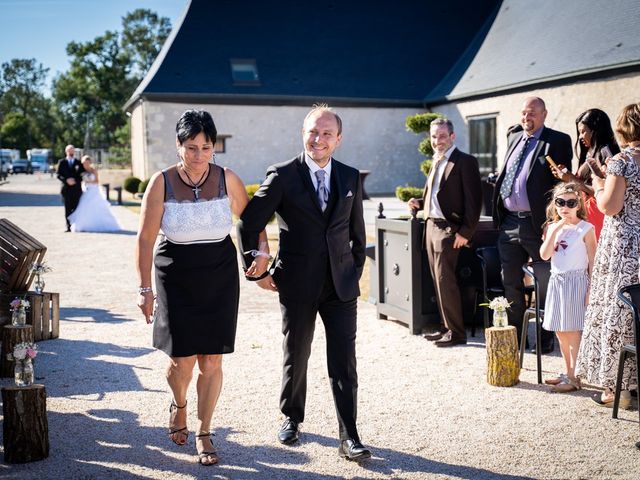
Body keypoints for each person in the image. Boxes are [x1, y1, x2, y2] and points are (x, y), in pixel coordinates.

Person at [237, 104, 371, 461]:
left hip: (340, 286)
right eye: (313, 131)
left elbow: (357, 234)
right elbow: (249, 222)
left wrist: (353, 271)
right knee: (296, 354)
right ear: (303, 134)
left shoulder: (350, 176)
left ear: (338, 139)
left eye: (327, 133)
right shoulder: (282, 176)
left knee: (344, 360)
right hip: (296, 283)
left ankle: (350, 435)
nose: (319, 139)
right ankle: (291, 417)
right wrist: (260, 269)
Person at [135, 109, 268, 466]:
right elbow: (146, 239)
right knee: (182, 361)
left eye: (206, 147)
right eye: (191, 147)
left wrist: (262, 251)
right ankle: (178, 405)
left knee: (211, 359)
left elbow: (252, 220)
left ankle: (204, 430)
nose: (198, 155)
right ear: (178, 145)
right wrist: (144, 290)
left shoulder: (228, 179)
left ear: (214, 147)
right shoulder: (160, 182)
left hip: (219, 274)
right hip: (175, 274)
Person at [492, 96, 573, 354]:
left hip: (537, 225)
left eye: (532, 114)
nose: (527, 118)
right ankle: (513, 339)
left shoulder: (557, 141)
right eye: (524, 114)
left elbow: (561, 184)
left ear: (544, 114)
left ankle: (545, 340)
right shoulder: (514, 137)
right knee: (510, 283)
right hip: (509, 223)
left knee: (546, 283)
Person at [576, 102, 640, 408]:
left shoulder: (622, 160)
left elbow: (610, 207)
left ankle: (619, 389)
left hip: (625, 247)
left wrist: (600, 182)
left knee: (618, 311)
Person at [408, 118, 482, 347]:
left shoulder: (465, 161)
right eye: (433, 137)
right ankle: (445, 327)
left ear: (452, 137)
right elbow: (439, 195)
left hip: (448, 230)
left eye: (441, 136)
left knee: (445, 280)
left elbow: (474, 201)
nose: (437, 141)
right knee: (437, 281)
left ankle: (456, 333)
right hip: (430, 226)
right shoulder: (436, 160)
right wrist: (420, 203)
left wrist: (465, 233)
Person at [539, 183, 596, 392]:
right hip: (558, 282)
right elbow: (544, 255)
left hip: (576, 282)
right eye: (560, 202)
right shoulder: (552, 227)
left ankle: (575, 377)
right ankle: (567, 372)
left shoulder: (586, 228)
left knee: (572, 331)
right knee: (561, 332)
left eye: (571, 203)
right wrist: (556, 229)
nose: (565, 207)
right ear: (555, 204)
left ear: (578, 204)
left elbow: (593, 261)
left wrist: (591, 289)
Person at [550, 109, 620, 239]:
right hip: (588, 215)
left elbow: (610, 193)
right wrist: (567, 176)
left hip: (599, 218)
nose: (580, 137)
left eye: (583, 132)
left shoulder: (606, 153)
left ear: (595, 130)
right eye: (579, 132)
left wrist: (573, 180)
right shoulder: (590, 152)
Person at [67, 156, 122, 232]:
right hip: (86, 190)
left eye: (87, 162)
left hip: (94, 190)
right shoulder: (81, 171)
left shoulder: (94, 170)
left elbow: (97, 181)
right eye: (84, 163)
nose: (86, 164)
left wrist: (88, 180)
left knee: (97, 206)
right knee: (84, 207)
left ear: (90, 163)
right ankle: (85, 224)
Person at [56, 144, 84, 232]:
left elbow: (82, 175)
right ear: (66, 152)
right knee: (67, 208)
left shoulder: (78, 162)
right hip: (66, 190)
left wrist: (75, 180)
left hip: (76, 189)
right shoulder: (62, 162)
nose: (71, 152)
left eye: (72, 151)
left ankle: (75, 225)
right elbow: (58, 175)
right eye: (69, 151)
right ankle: (68, 226)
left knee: (76, 208)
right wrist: (66, 180)